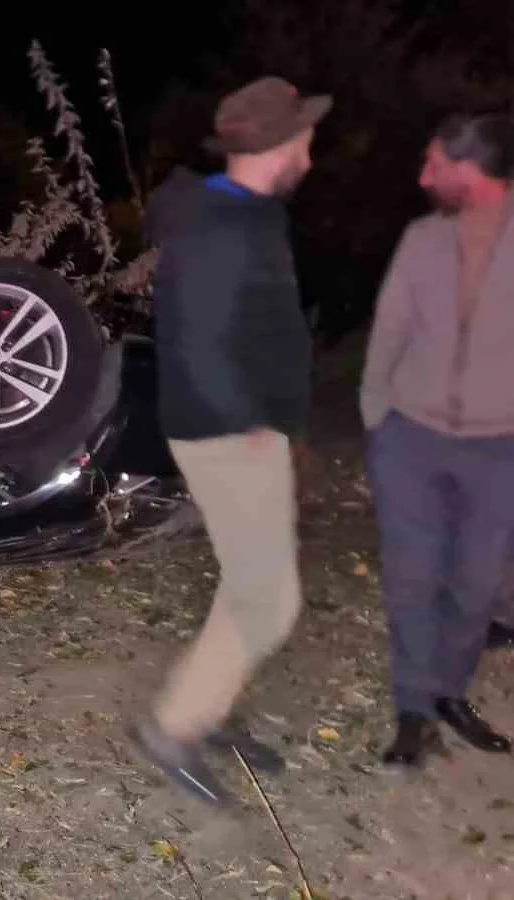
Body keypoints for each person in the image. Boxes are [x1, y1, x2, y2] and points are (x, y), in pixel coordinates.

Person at [129, 76, 330, 806]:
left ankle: (207, 709)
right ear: (278, 145)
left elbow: (259, 327)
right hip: (227, 432)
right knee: (268, 600)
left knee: (249, 584)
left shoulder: (244, 213)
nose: (313, 147)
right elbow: (203, 341)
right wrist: (249, 427)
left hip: (244, 426)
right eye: (305, 135)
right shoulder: (221, 225)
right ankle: (172, 728)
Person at [359, 111, 514, 766]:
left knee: (475, 585)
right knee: (412, 579)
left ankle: (450, 691)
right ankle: (413, 712)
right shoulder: (422, 238)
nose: (423, 177)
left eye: (434, 165)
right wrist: (377, 416)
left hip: (500, 447)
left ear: (470, 169)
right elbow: (389, 327)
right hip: (411, 439)